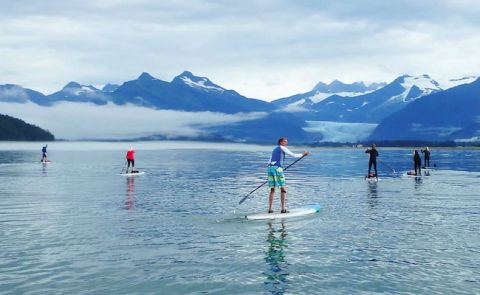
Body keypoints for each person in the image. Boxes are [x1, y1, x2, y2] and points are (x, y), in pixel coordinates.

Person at [267, 137, 309, 214]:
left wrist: (275, 169)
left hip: (270, 169)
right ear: (280, 142)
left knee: (272, 189)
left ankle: (270, 209)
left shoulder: (274, 149)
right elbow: (292, 155)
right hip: (277, 169)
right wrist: (303, 154)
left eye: (286, 142)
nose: (286, 143)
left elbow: (269, 161)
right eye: (285, 141)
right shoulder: (282, 148)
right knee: (283, 189)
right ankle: (283, 209)